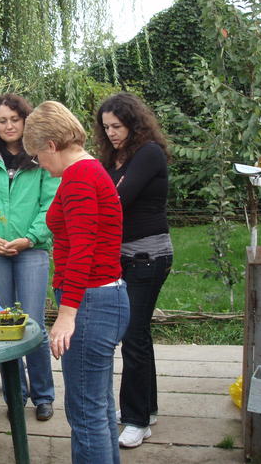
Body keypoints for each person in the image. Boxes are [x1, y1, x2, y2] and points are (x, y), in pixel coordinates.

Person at [22, 100, 129, 464]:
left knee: (85, 414)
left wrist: (67, 313)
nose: (40, 164)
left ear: (50, 145)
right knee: (97, 409)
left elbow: (84, 247)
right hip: (101, 298)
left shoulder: (80, 176)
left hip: (91, 302)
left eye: (38, 155)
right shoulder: (89, 171)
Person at [0, 94, 59, 421]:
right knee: (1, 324)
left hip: (31, 249)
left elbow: (49, 205)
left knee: (33, 322)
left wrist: (28, 238)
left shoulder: (39, 159)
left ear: (25, 121)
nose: (9, 126)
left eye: (14, 119)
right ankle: (14, 394)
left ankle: (43, 394)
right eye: (1, 120)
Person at [95, 92, 173, 448]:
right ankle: (146, 408)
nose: (111, 133)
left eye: (118, 126)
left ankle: (136, 420)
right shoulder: (116, 157)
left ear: (133, 123)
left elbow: (114, 199)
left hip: (148, 256)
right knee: (138, 334)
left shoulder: (148, 153)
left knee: (133, 335)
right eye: (106, 127)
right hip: (125, 256)